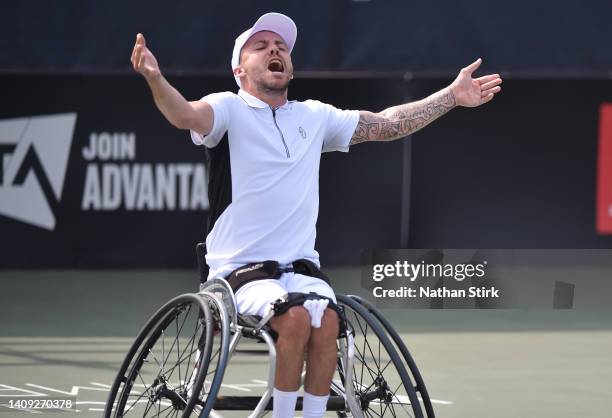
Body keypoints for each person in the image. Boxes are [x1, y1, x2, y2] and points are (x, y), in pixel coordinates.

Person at [130, 12, 501, 418]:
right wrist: (154, 79)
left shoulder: (315, 116)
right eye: (261, 46)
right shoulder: (227, 109)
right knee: (294, 320)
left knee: (326, 325)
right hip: (240, 273)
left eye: (282, 47)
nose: (275, 50)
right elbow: (185, 114)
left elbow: (387, 124)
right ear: (240, 70)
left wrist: (451, 95)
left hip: (304, 270)